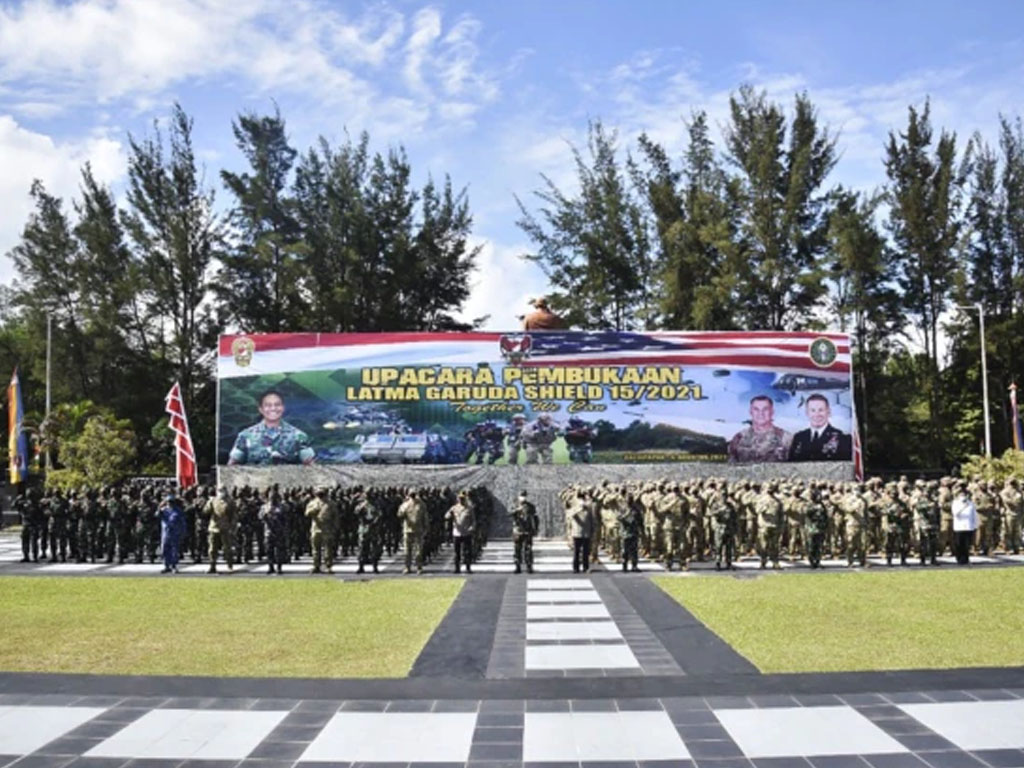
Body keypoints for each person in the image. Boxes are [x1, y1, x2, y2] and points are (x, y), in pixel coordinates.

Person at [228, 390, 315, 465]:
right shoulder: (245, 436)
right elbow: (232, 467)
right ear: (261, 409)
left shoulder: (299, 436)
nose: (273, 408)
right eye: (268, 405)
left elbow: (311, 468)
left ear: (283, 408)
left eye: (277, 404)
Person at [787, 394, 852, 461]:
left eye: (821, 410)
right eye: (813, 410)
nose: (817, 414)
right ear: (807, 413)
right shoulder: (799, 438)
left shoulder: (843, 438)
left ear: (828, 412)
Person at [728, 396, 792, 463]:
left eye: (765, 409)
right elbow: (731, 467)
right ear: (751, 412)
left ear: (772, 412)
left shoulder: (786, 438)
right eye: (756, 409)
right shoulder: (739, 438)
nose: (761, 413)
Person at [445, 492, 476, 573]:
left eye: (463, 499)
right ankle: (457, 568)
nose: (461, 500)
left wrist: (472, 527)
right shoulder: (454, 508)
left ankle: (468, 567)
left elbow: (473, 520)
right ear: (457, 499)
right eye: (460, 498)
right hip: (457, 532)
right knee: (456, 552)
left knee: (467, 551)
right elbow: (446, 516)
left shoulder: (469, 508)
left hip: (466, 532)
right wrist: (450, 515)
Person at [511, 491, 539, 574]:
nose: (523, 497)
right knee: (517, 549)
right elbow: (510, 514)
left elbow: (535, 518)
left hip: (527, 530)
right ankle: (517, 566)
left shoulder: (530, 506)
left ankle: (529, 566)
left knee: (528, 549)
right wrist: (517, 510)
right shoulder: (515, 505)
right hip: (518, 530)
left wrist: (535, 529)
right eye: (521, 496)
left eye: (524, 496)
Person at [158, 491, 186, 573]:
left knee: (174, 550)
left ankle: (174, 566)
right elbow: (156, 515)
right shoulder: (163, 510)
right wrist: (160, 508)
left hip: (175, 533)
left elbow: (182, 522)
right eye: (168, 502)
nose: (169, 504)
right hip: (165, 533)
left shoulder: (178, 511)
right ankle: (166, 565)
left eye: (171, 502)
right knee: (164, 549)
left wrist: (183, 532)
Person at [952, 483, 978, 565]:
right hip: (959, 526)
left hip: (968, 526)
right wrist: (963, 506)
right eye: (961, 495)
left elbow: (974, 515)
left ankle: (966, 558)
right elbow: (955, 513)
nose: (963, 496)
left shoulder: (970, 503)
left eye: (964, 495)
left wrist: (975, 525)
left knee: (967, 544)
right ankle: (959, 559)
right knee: (959, 544)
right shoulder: (955, 503)